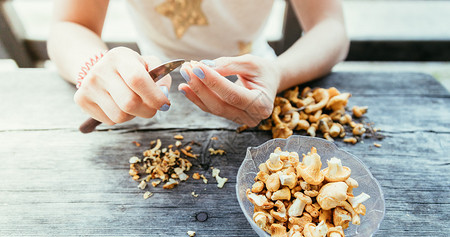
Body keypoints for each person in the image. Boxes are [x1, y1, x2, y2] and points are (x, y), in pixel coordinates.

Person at [48, 0, 349, 128]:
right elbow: (70, 26)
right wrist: (95, 68)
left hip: (261, 81)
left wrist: (279, 73)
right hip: (148, 86)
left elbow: (330, 27)